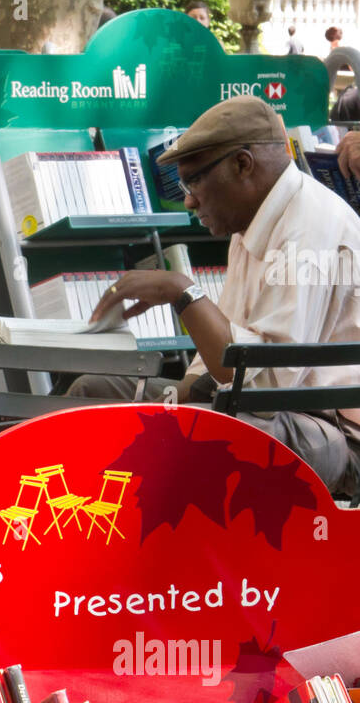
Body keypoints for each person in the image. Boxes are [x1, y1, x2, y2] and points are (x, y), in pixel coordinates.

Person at [67, 96, 360, 495]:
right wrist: (167, 397)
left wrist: (181, 291)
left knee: (212, 429)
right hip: (255, 409)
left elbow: (264, 388)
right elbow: (225, 368)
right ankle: (80, 525)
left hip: (329, 434)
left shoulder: (309, 231)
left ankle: (145, 546)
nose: (188, 199)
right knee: (93, 393)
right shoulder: (251, 221)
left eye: (194, 181)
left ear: (242, 164)